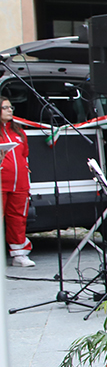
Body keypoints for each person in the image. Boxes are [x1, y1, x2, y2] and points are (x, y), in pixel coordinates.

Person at [0, 97, 32, 268]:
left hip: (19, 183)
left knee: (18, 218)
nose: (10, 110)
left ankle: (19, 253)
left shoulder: (18, 131)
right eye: (5, 108)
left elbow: (24, 153)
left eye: (10, 107)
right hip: (1, 182)